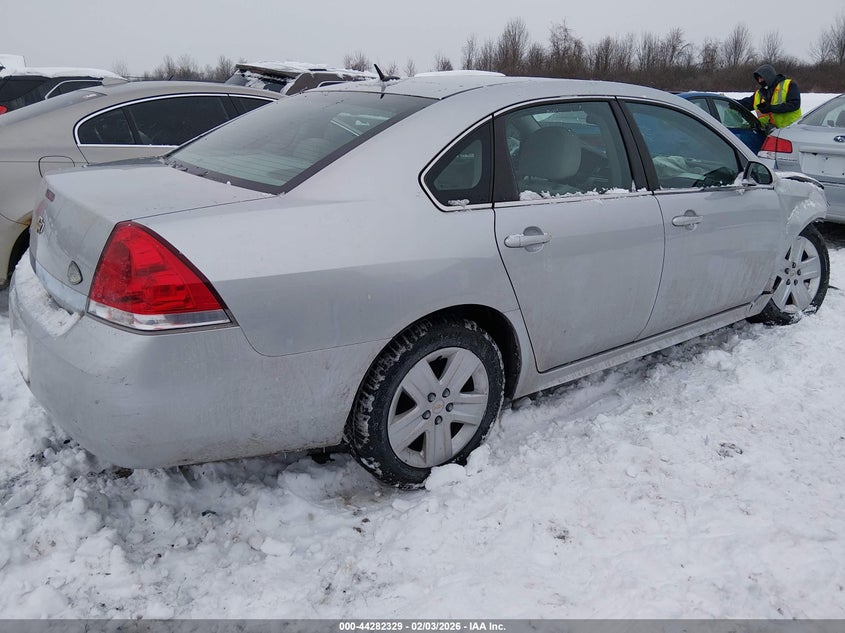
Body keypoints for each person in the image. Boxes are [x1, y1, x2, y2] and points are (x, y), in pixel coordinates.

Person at [739, 64, 802, 131]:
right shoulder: (759, 94)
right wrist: (731, 102)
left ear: (768, 77)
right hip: (769, 132)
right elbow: (745, 104)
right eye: (758, 79)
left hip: (791, 130)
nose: (759, 81)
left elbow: (794, 104)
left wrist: (771, 108)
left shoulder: (789, 85)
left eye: (761, 78)